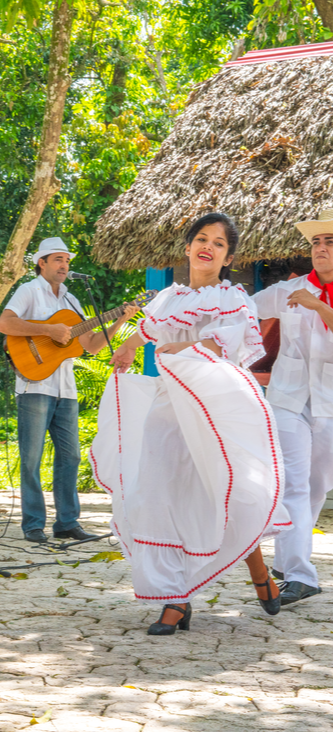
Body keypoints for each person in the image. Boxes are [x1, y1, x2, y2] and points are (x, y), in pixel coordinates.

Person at [90, 212, 289, 635]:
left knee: (224, 494)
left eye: (218, 243)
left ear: (227, 257)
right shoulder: (168, 298)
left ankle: (260, 576)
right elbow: (146, 331)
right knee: (154, 491)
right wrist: (126, 348)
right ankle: (173, 598)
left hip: (215, 406)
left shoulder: (234, 299)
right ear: (186, 248)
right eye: (202, 238)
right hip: (168, 406)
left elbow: (224, 345)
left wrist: (179, 344)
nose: (208, 246)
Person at [0, 238, 138, 543]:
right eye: (57, 259)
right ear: (42, 263)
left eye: (67, 260)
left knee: (70, 457)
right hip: (34, 384)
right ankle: (33, 524)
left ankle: (66, 523)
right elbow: (5, 324)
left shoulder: (73, 301)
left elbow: (91, 346)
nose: (64, 265)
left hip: (66, 390)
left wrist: (119, 320)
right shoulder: (29, 291)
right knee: (31, 458)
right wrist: (48, 330)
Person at [253, 209, 333, 606]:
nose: (320, 248)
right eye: (316, 242)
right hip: (287, 398)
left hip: (331, 404)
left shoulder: (313, 297)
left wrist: (320, 308)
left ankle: (287, 564)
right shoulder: (290, 289)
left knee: (318, 487)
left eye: (329, 241)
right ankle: (301, 575)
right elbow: (242, 309)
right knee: (294, 484)